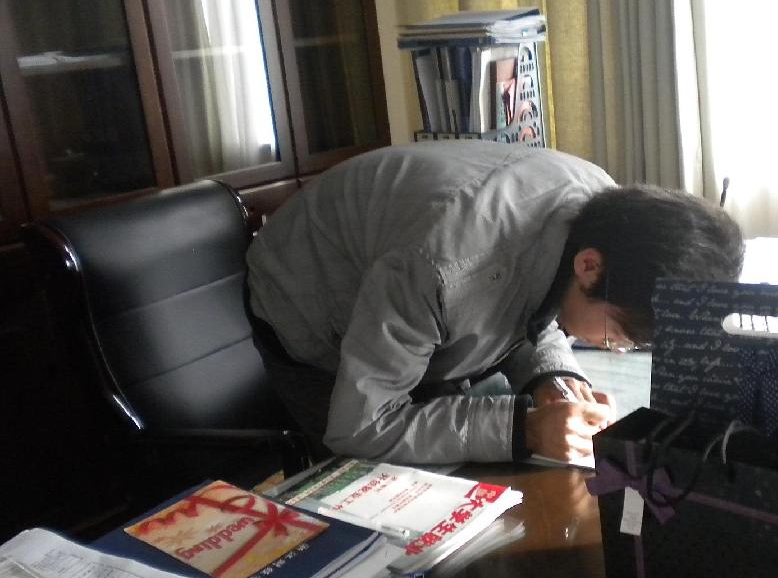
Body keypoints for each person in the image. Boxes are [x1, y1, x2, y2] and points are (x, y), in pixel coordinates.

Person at [245, 140, 743, 466]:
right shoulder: (446, 269)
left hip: (419, 296)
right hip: (307, 303)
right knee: (375, 504)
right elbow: (361, 427)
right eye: (617, 336)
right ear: (591, 267)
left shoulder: (606, 211)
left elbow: (535, 292)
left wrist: (553, 377)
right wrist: (525, 428)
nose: (612, 348)